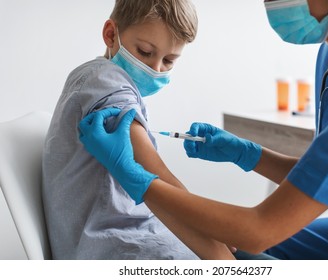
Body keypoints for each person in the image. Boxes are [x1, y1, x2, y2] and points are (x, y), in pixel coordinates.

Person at [78, 0, 328, 259]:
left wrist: (138, 181)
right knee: (239, 251)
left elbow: (258, 230)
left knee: (238, 250)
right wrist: (245, 153)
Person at [42, 0, 235, 260]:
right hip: (118, 250)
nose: (155, 69)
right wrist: (218, 249)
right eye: (145, 52)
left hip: (139, 239)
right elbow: (156, 174)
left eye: (169, 60)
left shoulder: (100, 79)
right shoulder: (105, 80)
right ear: (111, 35)